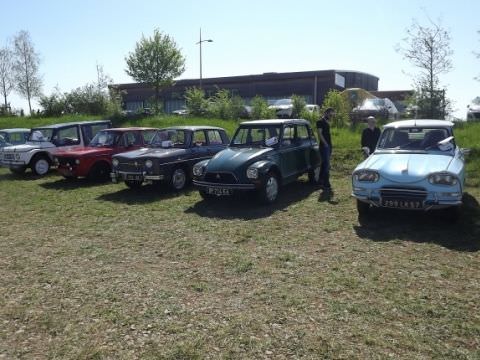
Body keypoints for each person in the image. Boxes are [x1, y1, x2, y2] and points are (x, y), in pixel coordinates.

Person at [316, 107, 335, 193]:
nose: (331, 116)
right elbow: (319, 134)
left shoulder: (328, 122)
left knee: (324, 164)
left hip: (329, 145)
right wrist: (325, 144)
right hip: (324, 146)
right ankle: (326, 183)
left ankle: (320, 182)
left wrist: (330, 144)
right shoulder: (320, 122)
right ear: (326, 113)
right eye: (330, 114)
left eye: (332, 114)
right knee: (327, 165)